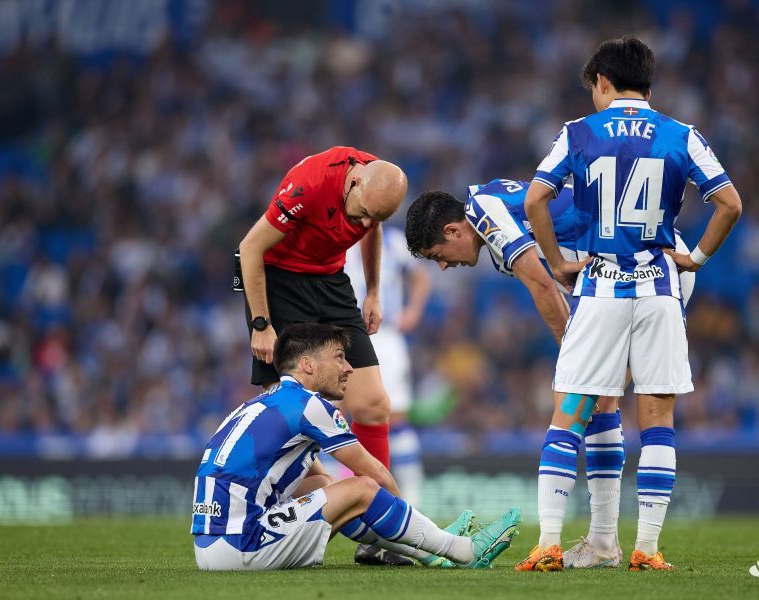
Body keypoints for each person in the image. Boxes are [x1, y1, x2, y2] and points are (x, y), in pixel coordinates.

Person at [525, 36, 742, 572]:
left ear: (602, 81)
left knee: (569, 412)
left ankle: (548, 543)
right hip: (659, 291)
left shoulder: (578, 133)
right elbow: (730, 203)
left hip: (600, 286)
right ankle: (646, 548)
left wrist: (556, 262)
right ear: (648, 83)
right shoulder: (680, 135)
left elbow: (535, 199)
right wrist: (697, 258)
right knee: (657, 418)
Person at [404, 179, 695, 571]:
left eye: (437, 254)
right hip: (650, 266)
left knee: (578, 399)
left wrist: (571, 352)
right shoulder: (494, 206)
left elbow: (542, 284)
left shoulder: (484, 212)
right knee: (600, 401)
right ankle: (605, 543)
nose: (443, 265)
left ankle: (595, 543)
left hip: (639, 268)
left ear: (452, 230)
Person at [191, 322, 521, 571]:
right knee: (363, 487)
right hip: (242, 546)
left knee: (325, 484)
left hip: (209, 547)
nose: (348, 368)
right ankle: (462, 551)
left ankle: (431, 552)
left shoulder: (259, 404)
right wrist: (418, 522)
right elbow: (373, 473)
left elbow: (319, 484)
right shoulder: (309, 405)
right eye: (338, 358)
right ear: (308, 365)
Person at [237, 146, 406, 472]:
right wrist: (261, 323)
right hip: (280, 282)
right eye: (365, 212)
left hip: (330, 280)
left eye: (377, 218)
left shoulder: (373, 192)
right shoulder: (309, 185)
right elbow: (250, 248)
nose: (367, 222)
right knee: (287, 417)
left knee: (374, 405)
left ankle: (374, 510)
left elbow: (373, 228)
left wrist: (372, 292)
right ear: (355, 182)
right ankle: (311, 505)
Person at [345, 226, 432, 506]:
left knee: (395, 416)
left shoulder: (393, 241)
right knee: (331, 414)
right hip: (341, 332)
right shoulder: (338, 238)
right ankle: (339, 493)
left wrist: (413, 312)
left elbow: (421, 277)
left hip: (384, 333)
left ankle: (412, 498)